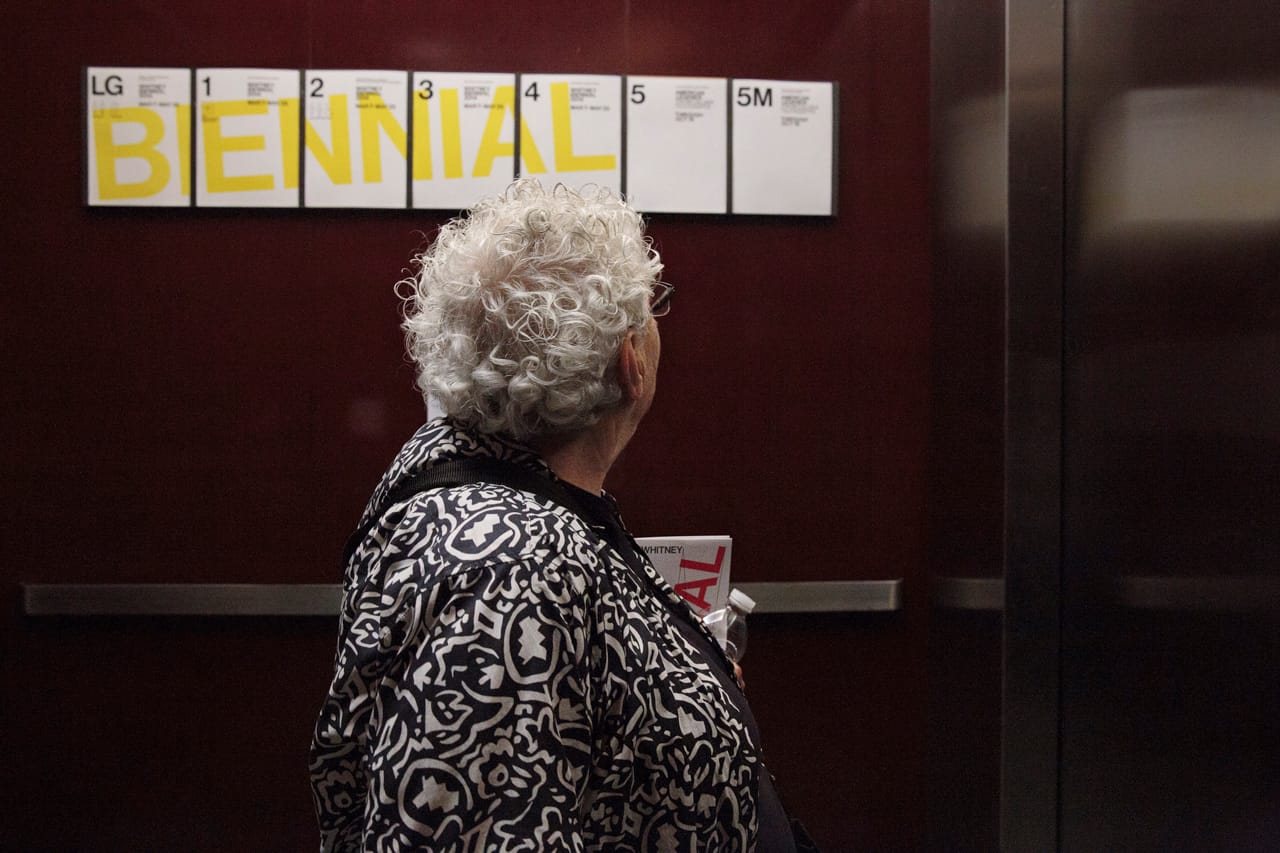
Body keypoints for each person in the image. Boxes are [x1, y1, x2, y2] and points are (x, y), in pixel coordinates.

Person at [310, 180, 805, 852]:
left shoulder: (493, 495)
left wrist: (679, 692)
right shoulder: (513, 565)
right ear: (630, 362)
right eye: (653, 307)